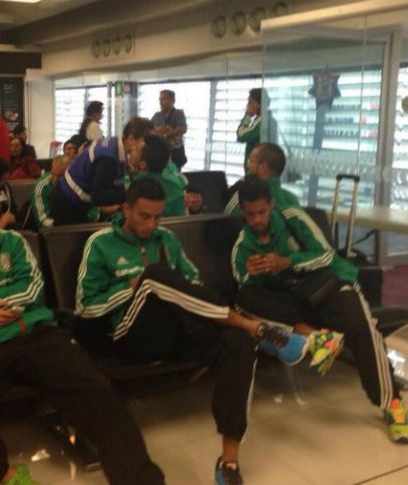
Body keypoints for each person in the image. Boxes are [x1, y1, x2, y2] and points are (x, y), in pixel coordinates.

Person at [0, 176, 165, 485]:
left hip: (36, 335)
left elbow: (31, 290)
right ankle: (5, 476)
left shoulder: (11, 242)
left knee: (98, 392)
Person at [75, 178, 309, 485]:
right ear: (126, 209)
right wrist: (131, 288)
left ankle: (229, 461)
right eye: (144, 216)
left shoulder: (167, 239)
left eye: (158, 217)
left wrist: (173, 290)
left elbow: (194, 282)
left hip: (179, 327)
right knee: (153, 276)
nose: (152, 224)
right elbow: (85, 306)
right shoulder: (101, 243)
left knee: (237, 344)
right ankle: (252, 326)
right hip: (133, 333)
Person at [231, 175, 408, 444]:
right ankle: (316, 337)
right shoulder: (243, 245)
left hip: (328, 285)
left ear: (271, 205)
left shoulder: (293, 218)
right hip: (293, 301)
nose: (257, 219)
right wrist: (252, 274)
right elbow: (245, 286)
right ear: (243, 213)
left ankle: (392, 403)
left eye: (262, 212)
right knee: (244, 299)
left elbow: (327, 255)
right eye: (250, 214)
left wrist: (287, 262)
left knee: (362, 327)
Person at [51, 117, 154, 226]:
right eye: (146, 142)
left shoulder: (114, 143)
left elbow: (115, 181)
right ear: (131, 139)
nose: (148, 147)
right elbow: (99, 197)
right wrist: (130, 195)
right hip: (68, 202)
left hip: (74, 198)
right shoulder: (108, 159)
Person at [224, 142, 300, 216]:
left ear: (263, 167)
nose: (248, 166)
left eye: (251, 161)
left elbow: (226, 219)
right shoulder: (292, 200)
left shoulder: (245, 197)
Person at [128, 134, 187, 217]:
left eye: (136, 150)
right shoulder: (175, 188)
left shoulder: (135, 186)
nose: (131, 148)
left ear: (143, 165)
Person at [236, 88, 278, 175]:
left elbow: (241, 136)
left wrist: (247, 117)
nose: (247, 105)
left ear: (259, 105)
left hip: (258, 171)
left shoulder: (263, 122)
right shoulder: (261, 120)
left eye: (250, 102)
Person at [30, 155, 73, 229]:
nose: (55, 179)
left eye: (60, 176)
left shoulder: (79, 183)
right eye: (53, 173)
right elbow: (43, 221)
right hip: (53, 232)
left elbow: (93, 214)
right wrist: (67, 226)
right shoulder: (42, 187)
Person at [151, 89, 188, 170]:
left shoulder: (179, 113)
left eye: (164, 99)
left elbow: (182, 129)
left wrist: (166, 134)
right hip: (160, 152)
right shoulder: (156, 115)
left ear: (173, 100)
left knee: (175, 173)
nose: (161, 102)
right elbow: (149, 129)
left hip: (175, 153)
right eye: (160, 100)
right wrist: (159, 129)